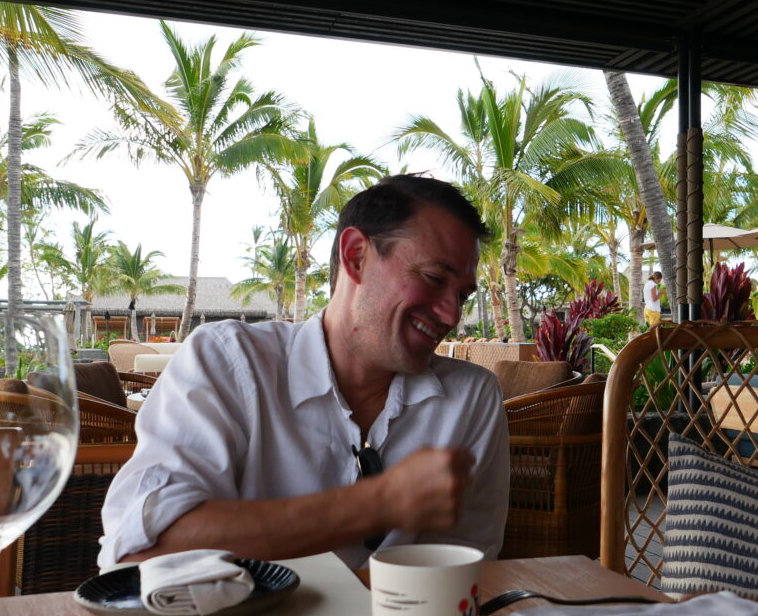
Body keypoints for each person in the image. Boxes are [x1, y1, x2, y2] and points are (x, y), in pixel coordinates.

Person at [97, 174, 510, 570]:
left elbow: (470, 562)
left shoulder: (470, 398)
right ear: (356, 256)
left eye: (461, 295)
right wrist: (377, 504)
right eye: (434, 278)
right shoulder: (228, 362)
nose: (451, 314)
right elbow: (142, 549)